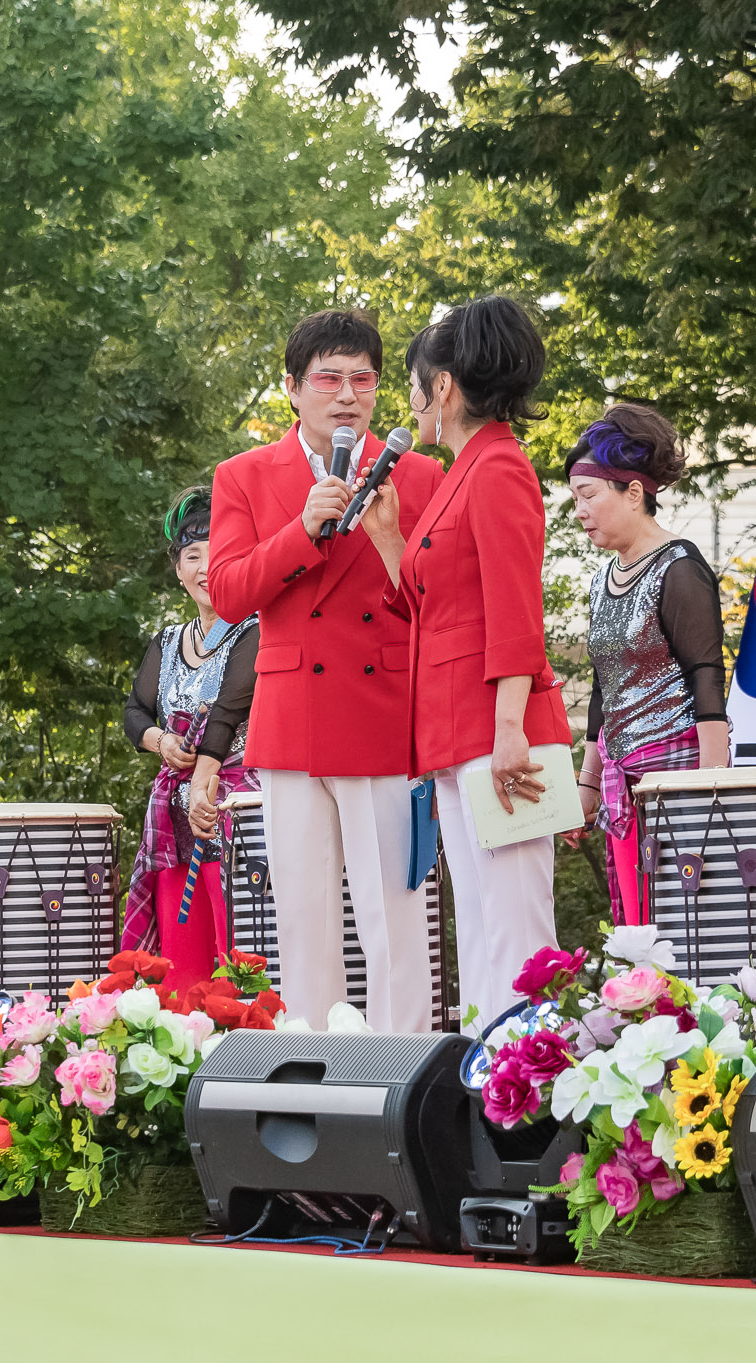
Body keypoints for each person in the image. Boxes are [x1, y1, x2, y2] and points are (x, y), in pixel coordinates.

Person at [207, 310, 446, 1031]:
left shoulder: (423, 472)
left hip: (382, 711)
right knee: (303, 917)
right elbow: (228, 592)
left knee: (394, 916)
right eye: (329, 378)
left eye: (363, 379)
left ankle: (403, 1073)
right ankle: (314, 1069)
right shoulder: (243, 475)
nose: (347, 394)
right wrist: (302, 529)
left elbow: (437, 599)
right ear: (292, 387)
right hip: (289, 719)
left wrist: (388, 535)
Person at [370, 296, 573, 1009]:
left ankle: (533, 1085)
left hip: (498, 730)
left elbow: (516, 608)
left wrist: (511, 728)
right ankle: (496, 1079)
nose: (412, 401)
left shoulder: (499, 468)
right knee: (482, 926)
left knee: (516, 928)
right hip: (458, 731)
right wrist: (390, 537)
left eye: (416, 383)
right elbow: (436, 607)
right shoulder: (464, 471)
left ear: (445, 386)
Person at [564, 404, 731, 926]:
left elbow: (707, 676)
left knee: (684, 921)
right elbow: (603, 688)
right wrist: (587, 784)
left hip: (678, 775)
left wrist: (713, 786)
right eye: (576, 499)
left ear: (634, 493)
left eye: (589, 496)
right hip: (623, 774)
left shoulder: (679, 568)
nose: (580, 512)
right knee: (637, 923)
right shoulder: (603, 578)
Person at [121, 486, 261, 988]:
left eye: (218, 552)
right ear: (177, 568)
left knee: (237, 953)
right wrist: (160, 742)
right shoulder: (168, 642)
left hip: (232, 814)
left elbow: (230, 708)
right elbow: (135, 711)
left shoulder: (256, 630)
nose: (205, 567)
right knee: (181, 970)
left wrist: (202, 764)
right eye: (192, 555)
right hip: (173, 824)